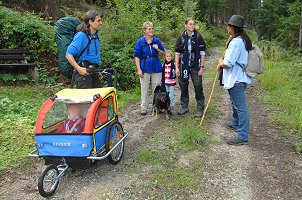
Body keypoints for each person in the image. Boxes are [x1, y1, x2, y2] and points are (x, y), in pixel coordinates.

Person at [217, 15, 253, 145]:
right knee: (235, 103)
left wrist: (220, 62)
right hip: (238, 77)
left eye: (228, 26)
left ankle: (242, 136)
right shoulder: (241, 40)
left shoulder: (237, 42)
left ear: (233, 27)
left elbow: (228, 63)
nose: (227, 28)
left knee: (241, 107)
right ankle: (236, 123)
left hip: (236, 78)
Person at [175, 17, 206, 117]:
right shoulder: (181, 37)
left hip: (195, 65)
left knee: (198, 85)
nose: (192, 26)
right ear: (185, 25)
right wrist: (176, 67)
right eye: (190, 24)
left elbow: (202, 52)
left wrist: (201, 67)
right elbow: (177, 53)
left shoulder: (198, 36)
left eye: (193, 24)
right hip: (183, 65)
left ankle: (200, 107)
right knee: (183, 85)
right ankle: (184, 107)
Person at [134, 21, 165, 115]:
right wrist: (139, 69)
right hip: (144, 67)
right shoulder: (140, 42)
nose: (151, 30)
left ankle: (156, 106)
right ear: (144, 30)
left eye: (152, 28)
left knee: (157, 88)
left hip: (156, 66)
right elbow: (137, 56)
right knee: (144, 88)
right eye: (149, 29)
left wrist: (157, 49)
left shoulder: (156, 41)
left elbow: (162, 53)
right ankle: (144, 107)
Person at [66, 10, 102, 89]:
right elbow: (68, 54)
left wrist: (97, 70)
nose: (101, 23)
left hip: (94, 71)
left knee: (98, 99)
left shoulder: (95, 37)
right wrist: (79, 69)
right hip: (83, 71)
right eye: (98, 21)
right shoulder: (81, 36)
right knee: (86, 100)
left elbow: (92, 56)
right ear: (90, 22)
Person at [163, 50, 176, 115]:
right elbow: (162, 74)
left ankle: (172, 106)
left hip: (171, 82)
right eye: (167, 56)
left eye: (170, 56)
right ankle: (166, 107)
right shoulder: (163, 65)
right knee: (166, 95)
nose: (168, 57)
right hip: (165, 82)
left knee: (171, 95)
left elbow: (176, 71)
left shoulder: (173, 64)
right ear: (165, 57)